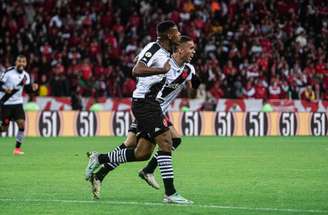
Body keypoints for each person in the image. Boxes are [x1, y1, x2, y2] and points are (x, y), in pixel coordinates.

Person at [85, 21, 193, 204]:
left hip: (153, 105)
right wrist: (161, 69)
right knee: (166, 142)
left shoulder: (169, 55)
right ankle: (170, 192)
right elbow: (136, 70)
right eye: (176, 32)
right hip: (145, 103)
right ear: (169, 35)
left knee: (141, 152)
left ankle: (101, 160)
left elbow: (150, 65)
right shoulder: (155, 49)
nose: (179, 34)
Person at [0, 55, 38, 155]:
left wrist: (33, 89)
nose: (21, 63)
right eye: (19, 61)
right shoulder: (8, 72)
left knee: (21, 124)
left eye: (23, 62)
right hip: (6, 103)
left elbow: (28, 89)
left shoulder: (26, 75)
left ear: (26, 63)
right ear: (16, 62)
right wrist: (4, 90)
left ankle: (17, 149)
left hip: (17, 104)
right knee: (4, 128)